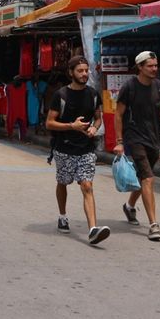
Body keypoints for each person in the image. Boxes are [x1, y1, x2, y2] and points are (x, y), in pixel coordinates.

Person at [112, 51, 160, 242]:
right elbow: (118, 115)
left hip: (153, 139)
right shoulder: (129, 87)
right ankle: (153, 225)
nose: (154, 69)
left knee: (144, 177)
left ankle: (129, 206)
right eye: (150, 66)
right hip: (134, 139)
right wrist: (119, 142)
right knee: (148, 179)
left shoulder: (159, 87)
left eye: (155, 65)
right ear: (140, 67)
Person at [46, 56, 109, 244]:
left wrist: (94, 128)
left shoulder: (93, 94)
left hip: (86, 149)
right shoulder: (61, 95)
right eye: (80, 71)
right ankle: (63, 215)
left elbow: (98, 117)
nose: (84, 74)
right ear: (71, 73)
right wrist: (71, 126)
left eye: (86, 70)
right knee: (63, 182)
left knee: (87, 185)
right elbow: (49, 123)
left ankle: (93, 230)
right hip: (64, 147)